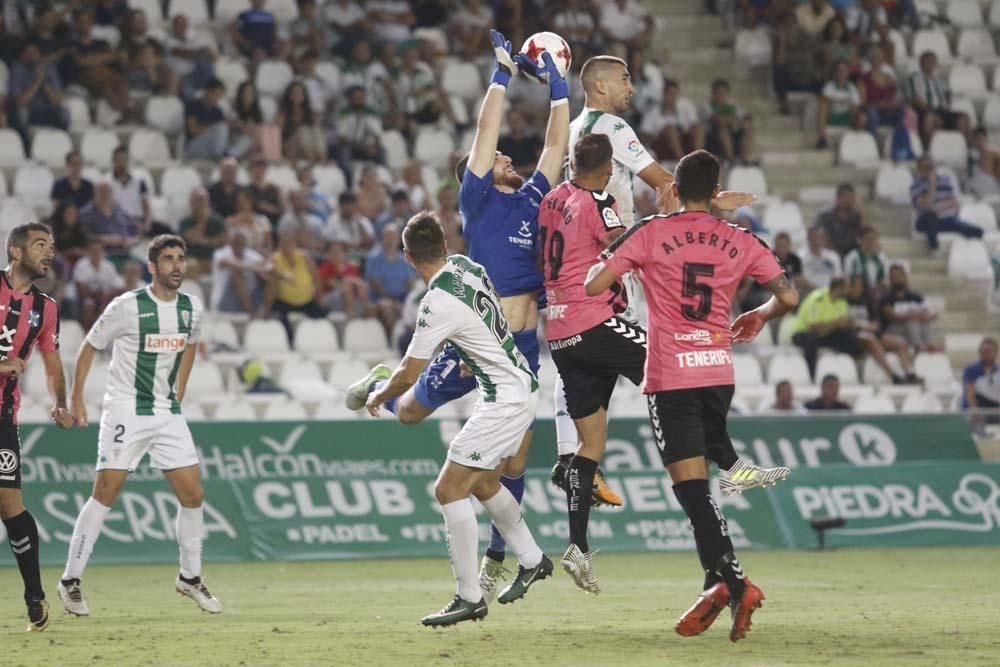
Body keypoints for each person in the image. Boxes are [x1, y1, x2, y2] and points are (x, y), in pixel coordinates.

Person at [347, 30, 569, 602]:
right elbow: (483, 134)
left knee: (512, 459)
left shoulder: (533, 198)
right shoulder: (480, 202)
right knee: (410, 413)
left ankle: (503, 558)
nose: (506, 158)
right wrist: (500, 76)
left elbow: (554, 147)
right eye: (497, 159)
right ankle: (385, 384)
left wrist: (559, 92)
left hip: (515, 346)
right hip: (469, 341)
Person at [541, 137, 788, 593]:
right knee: (674, 367)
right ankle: (732, 466)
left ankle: (577, 547)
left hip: (559, 332)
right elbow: (630, 250)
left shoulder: (553, 199)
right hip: (596, 320)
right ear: (609, 167)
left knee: (589, 444)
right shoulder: (599, 203)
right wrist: (681, 207)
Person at [356, 212, 553, 626]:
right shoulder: (467, 266)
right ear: (445, 245)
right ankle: (533, 559)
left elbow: (409, 373)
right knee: (484, 483)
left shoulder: (436, 302)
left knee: (448, 490)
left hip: (504, 400)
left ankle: (469, 596)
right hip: (517, 386)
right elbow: (486, 321)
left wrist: (378, 395)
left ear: (408, 258)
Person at [58, 235, 222, 617]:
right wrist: (77, 398)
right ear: (152, 266)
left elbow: (191, 345)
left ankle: (190, 576)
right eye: (168, 259)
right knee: (105, 491)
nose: (177, 266)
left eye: (181, 258)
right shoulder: (127, 307)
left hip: (166, 412)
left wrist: (179, 389)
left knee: (193, 495)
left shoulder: (191, 308)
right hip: (126, 410)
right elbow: (89, 347)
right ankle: (70, 581)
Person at [0, 223, 73, 632]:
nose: (49, 252)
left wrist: (59, 404)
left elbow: (52, 363)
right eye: (40, 245)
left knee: (10, 506)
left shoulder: (46, 308)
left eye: (52, 245)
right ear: (15, 250)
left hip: (1, 417)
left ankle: (34, 596)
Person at [792, 277, 917, 382]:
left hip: (828, 334)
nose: (849, 290)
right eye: (847, 287)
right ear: (839, 288)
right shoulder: (817, 298)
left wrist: (855, 325)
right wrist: (835, 323)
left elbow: (844, 324)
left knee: (860, 338)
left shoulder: (842, 302)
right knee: (811, 338)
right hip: (804, 333)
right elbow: (813, 328)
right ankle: (812, 375)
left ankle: (894, 375)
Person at [910, 156, 984, 253]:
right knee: (930, 217)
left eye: (931, 167)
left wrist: (936, 207)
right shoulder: (916, 185)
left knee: (976, 231)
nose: (929, 170)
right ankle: (934, 248)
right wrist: (932, 184)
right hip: (925, 221)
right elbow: (926, 206)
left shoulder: (945, 180)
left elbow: (954, 203)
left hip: (945, 219)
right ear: (920, 169)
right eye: (926, 167)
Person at [266, 227, 326, 338]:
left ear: (294, 244)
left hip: (306, 300)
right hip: (285, 301)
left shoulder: (304, 256)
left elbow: (316, 278)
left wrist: (320, 297)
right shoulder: (275, 257)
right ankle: (290, 342)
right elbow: (266, 270)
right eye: (283, 243)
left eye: (289, 243)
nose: (286, 247)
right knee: (280, 318)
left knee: (323, 314)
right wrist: (282, 275)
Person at [904, 51, 968, 147]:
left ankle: (964, 149)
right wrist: (931, 111)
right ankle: (927, 150)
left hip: (941, 110)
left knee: (963, 118)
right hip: (923, 111)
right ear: (921, 63)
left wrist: (947, 104)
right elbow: (914, 99)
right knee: (930, 118)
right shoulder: (914, 78)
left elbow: (948, 93)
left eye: (933, 61)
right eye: (928, 61)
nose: (931, 64)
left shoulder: (939, 80)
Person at [364, 223, 416, 339]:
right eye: (387, 236)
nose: (390, 240)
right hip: (380, 298)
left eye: (393, 237)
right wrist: (394, 301)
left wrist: (408, 302)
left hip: (401, 298)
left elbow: (409, 283)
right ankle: (392, 341)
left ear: (398, 240)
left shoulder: (404, 260)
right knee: (388, 307)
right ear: (382, 238)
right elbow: (375, 284)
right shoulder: (374, 258)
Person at [640, 79, 705, 161]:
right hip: (662, 143)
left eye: (675, 94)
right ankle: (682, 161)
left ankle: (698, 158)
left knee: (699, 128)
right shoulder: (653, 111)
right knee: (670, 129)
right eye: (670, 93)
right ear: (664, 94)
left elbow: (693, 125)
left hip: (683, 140)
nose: (672, 97)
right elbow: (644, 133)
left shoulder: (684, 107)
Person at [210, 229, 272, 315]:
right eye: (236, 244)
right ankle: (251, 312)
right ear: (231, 243)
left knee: (270, 278)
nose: (239, 247)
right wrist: (255, 268)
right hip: (225, 300)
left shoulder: (249, 254)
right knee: (237, 274)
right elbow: (231, 264)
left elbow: (267, 265)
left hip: (248, 298)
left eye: (241, 244)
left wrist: (263, 264)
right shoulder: (221, 254)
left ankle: (266, 311)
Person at [79, 180, 141, 264]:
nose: (104, 195)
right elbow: (82, 236)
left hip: (125, 252)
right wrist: (102, 239)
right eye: (101, 192)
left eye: (107, 192)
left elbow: (137, 233)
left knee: (148, 268)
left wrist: (127, 241)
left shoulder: (119, 211)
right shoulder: (87, 213)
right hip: (102, 255)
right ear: (95, 194)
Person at [879, 263, 937, 352]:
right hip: (892, 330)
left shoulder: (915, 296)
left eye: (899, 275)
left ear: (905, 276)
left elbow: (931, 314)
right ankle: (918, 347)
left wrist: (922, 316)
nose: (897, 278)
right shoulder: (886, 297)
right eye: (894, 276)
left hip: (913, 328)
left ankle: (928, 346)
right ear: (889, 278)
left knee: (924, 322)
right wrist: (914, 315)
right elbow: (892, 316)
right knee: (912, 322)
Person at [73, 239, 124, 330]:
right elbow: (80, 287)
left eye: (99, 250)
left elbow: (117, 285)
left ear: (103, 252)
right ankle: (87, 331)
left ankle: (106, 331)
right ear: (88, 252)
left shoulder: (109, 266)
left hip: (105, 295)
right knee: (89, 304)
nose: (96, 253)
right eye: (93, 251)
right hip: (88, 296)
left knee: (113, 302)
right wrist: (96, 293)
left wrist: (107, 294)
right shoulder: (81, 265)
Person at [178, 187, 227, 274]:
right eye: (197, 200)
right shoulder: (185, 222)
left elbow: (222, 241)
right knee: (192, 265)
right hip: (192, 259)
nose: (200, 204)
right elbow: (192, 239)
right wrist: (203, 220)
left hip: (212, 259)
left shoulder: (217, 221)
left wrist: (204, 241)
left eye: (203, 200)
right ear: (191, 203)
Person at [816, 61, 862, 149]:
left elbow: (856, 106)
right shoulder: (829, 86)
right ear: (835, 73)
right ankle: (822, 139)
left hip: (847, 117)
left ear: (848, 73)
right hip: (832, 117)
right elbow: (825, 102)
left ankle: (857, 141)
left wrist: (836, 101)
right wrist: (843, 101)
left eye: (844, 71)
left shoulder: (852, 87)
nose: (841, 73)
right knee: (823, 105)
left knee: (860, 114)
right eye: (839, 71)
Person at [184, 78, 231, 161]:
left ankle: (221, 155)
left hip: (210, 147)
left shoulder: (217, 111)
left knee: (223, 129)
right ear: (208, 92)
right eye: (216, 96)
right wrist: (212, 128)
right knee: (220, 128)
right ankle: (219, 157)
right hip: (193, 146)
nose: (217, 100)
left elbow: (221, 135)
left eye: (219, 97)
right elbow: (193, 130)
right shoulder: (193, 106)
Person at [109, 146, 151, 234]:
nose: (121, 162)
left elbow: (146, 205)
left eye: (124, 159)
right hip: (117, 224)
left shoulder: (139, 181)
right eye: (118, 159)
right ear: (113, 161)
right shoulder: (107, 183)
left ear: (128, 160)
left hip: (137, 222)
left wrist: (147, 223)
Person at [816, 183, 863, 257]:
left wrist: (861, 211)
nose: (848, 202)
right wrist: (835, 255)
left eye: (851, 198)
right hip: (830, 253)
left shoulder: (856, 215)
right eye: (846, 198)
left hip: (850, 254)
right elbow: (822, 238)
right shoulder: (825, 215)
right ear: (838, 198)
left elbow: (863, 235)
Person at [962, 337, 999, 427]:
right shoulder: (971, 369)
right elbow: (970, 393)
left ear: (996, 352)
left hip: (994, 409)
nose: (985, 354)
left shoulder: (998, 370)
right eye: (982, 351)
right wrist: (975, 412)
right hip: (976, 409)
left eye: (988, 351)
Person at [843, 225, 889, 293]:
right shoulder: (852, 257)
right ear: (860, 240)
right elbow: (847, 279)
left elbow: (885, 279)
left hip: (877, 293)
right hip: (858, 293)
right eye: (867, 239)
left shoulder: (882, 257)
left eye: (873, 239)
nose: (871, 242)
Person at [799, 226, 842, 292]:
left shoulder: (833, 256)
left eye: (818, 238)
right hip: (809, 293)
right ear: (808, 239)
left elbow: (838, 277)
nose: (816, 241)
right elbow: (800, 280)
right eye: (813, 238)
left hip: (830, 293)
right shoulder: (801, 257)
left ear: (823, 239)